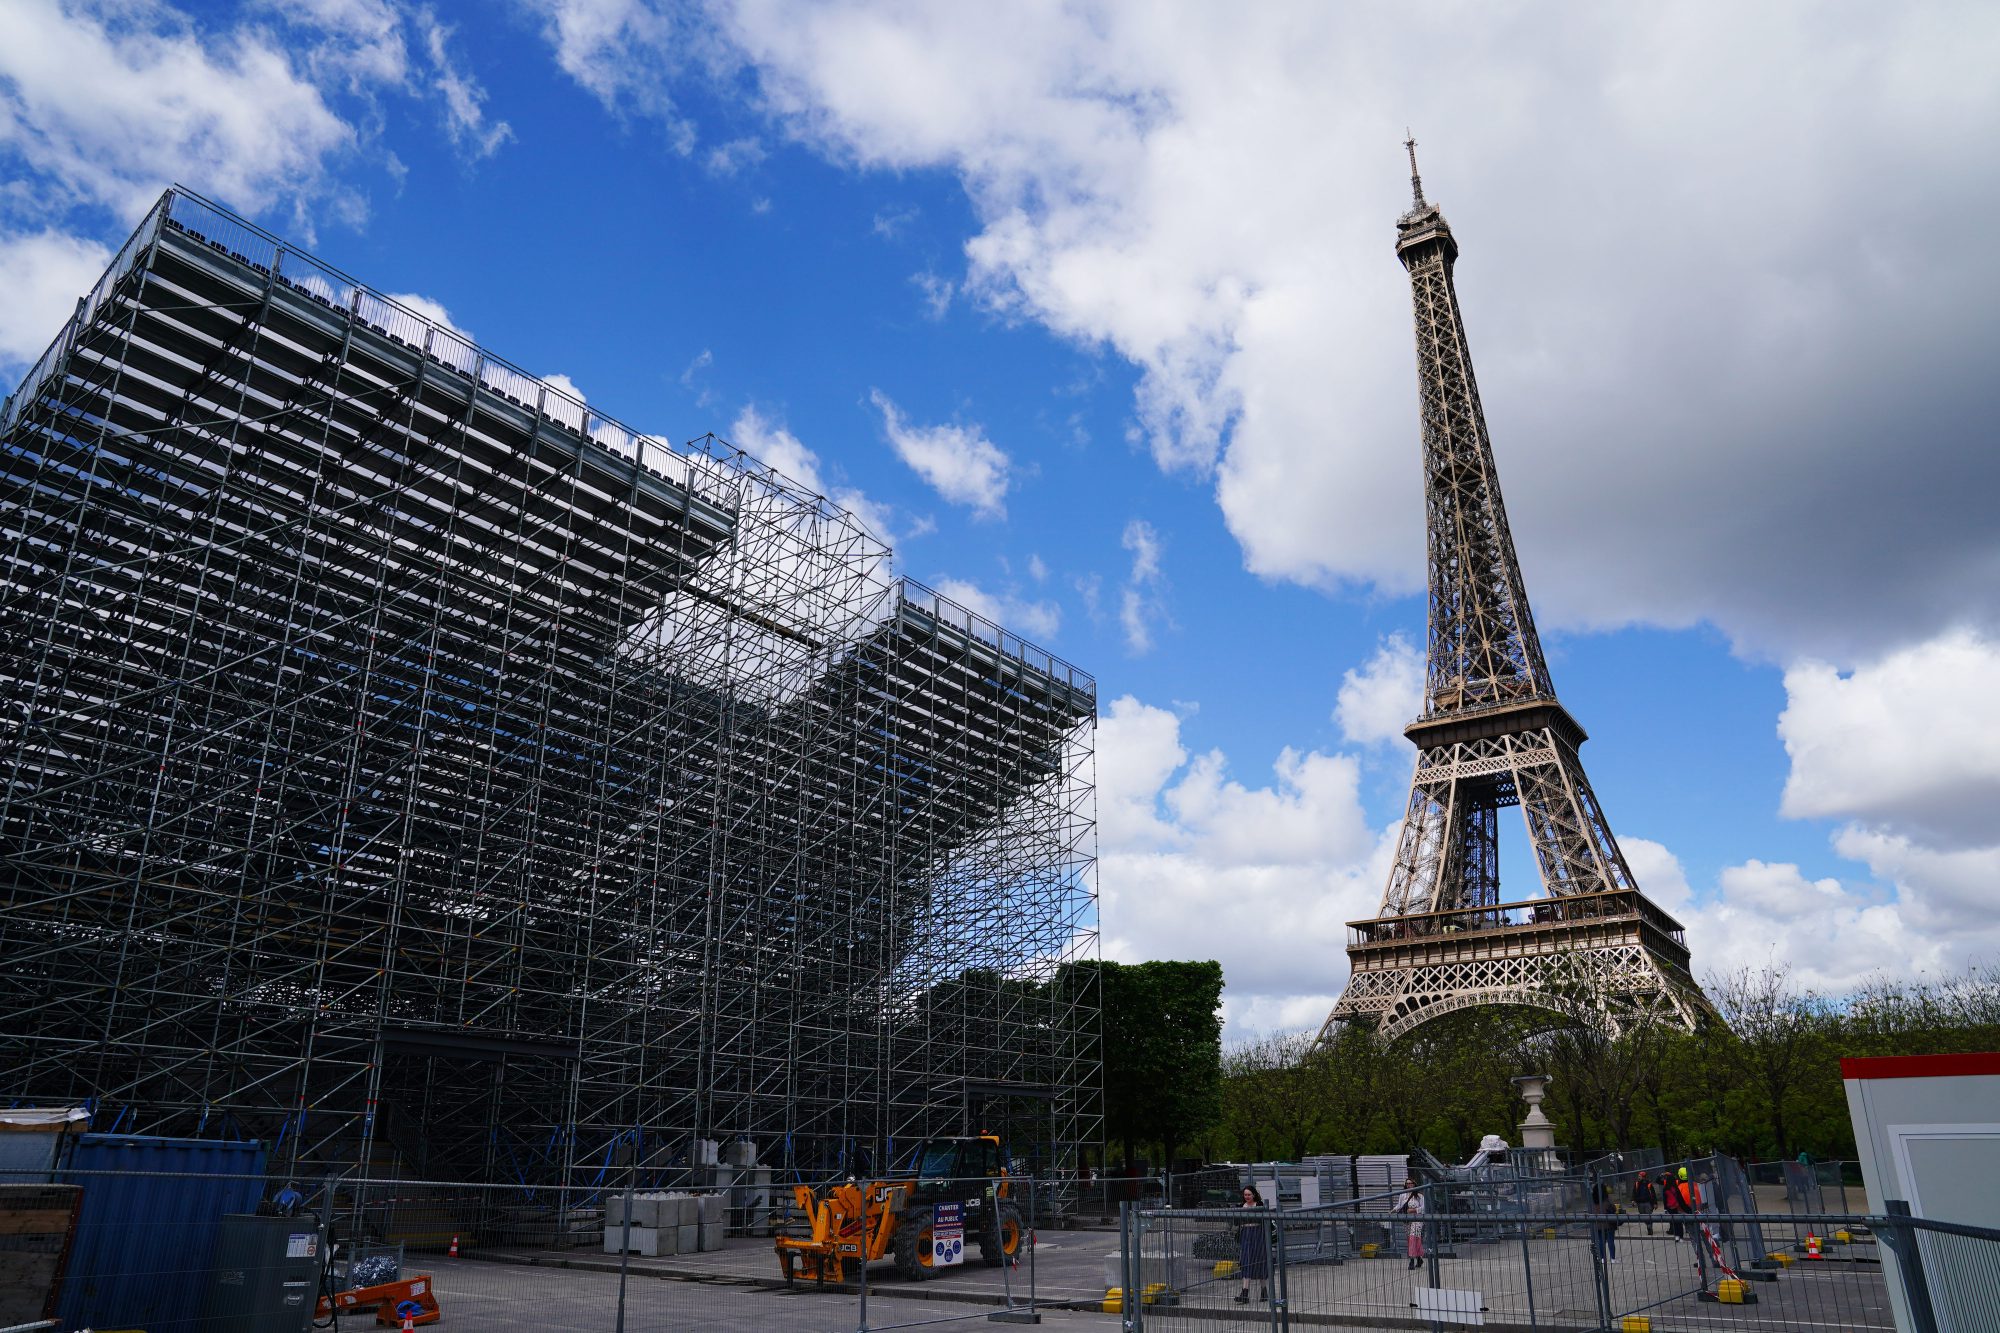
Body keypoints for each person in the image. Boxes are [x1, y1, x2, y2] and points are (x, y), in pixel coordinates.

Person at [1235, 1185, 1269, 1305]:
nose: (1247, 1197)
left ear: (1254, 1194)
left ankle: (1264, 1291)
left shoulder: (1259, 1205)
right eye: (1245, 1195)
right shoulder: (1240, 1206)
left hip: (1257, 1234)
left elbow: (1264, 1220)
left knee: (1260, 1260)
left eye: (1249, 1194)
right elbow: (1236, 1222)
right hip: (1246, 1234)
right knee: (1246, 1261)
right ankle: (1245, 1293)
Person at [1396, 1175, 1426, 1271]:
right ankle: (1419, 1259)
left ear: (1414, 1184)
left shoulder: (1420, 1195)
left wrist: (1414, 1210)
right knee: (1410, 1239)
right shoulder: (1402, 1195)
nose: (1409, 1185)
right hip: (1407, 1220)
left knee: (1413, 1237)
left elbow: (1423, 1208)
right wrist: (1392, 1210)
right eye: (1407, 1183)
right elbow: (1399, 1205)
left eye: (1410, 1183)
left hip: (1417, 1219)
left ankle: (1411, 1261)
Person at [1591, 1178, 1619, 1264]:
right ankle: (1613, 1258)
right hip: (1608, 1223)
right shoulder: (1607, 1199)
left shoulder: (1593, 1200)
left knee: (1600, 1241)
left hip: (1598, 1223)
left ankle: (1602, 1258)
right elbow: (1613, 1208)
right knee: (1610, 1240)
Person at [1631, 1170, 1657, 1235]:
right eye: (1638, 1176)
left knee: (1648, 1216)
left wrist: (1655, 1203)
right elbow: (1634, 1192)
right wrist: (1633, 1200)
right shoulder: (1637, 1184)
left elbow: (1653, 1194)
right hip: (1640, 1203)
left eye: (1640, 1176)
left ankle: (1649, 1227)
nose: (1638, 1177)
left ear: (1643, 1177)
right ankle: (1648, 1224)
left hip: (1648, 1203)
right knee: (1643, 1217)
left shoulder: (1649, 1184)